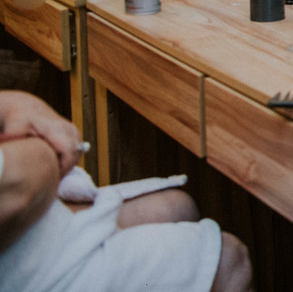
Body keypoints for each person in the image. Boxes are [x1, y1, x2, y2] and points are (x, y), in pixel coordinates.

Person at [0, 90, 251, 292]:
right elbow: (19, 185)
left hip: (26, 227)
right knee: (230, 261)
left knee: (176, 206)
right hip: (21, 266)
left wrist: (21, 106)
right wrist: (46, 145)